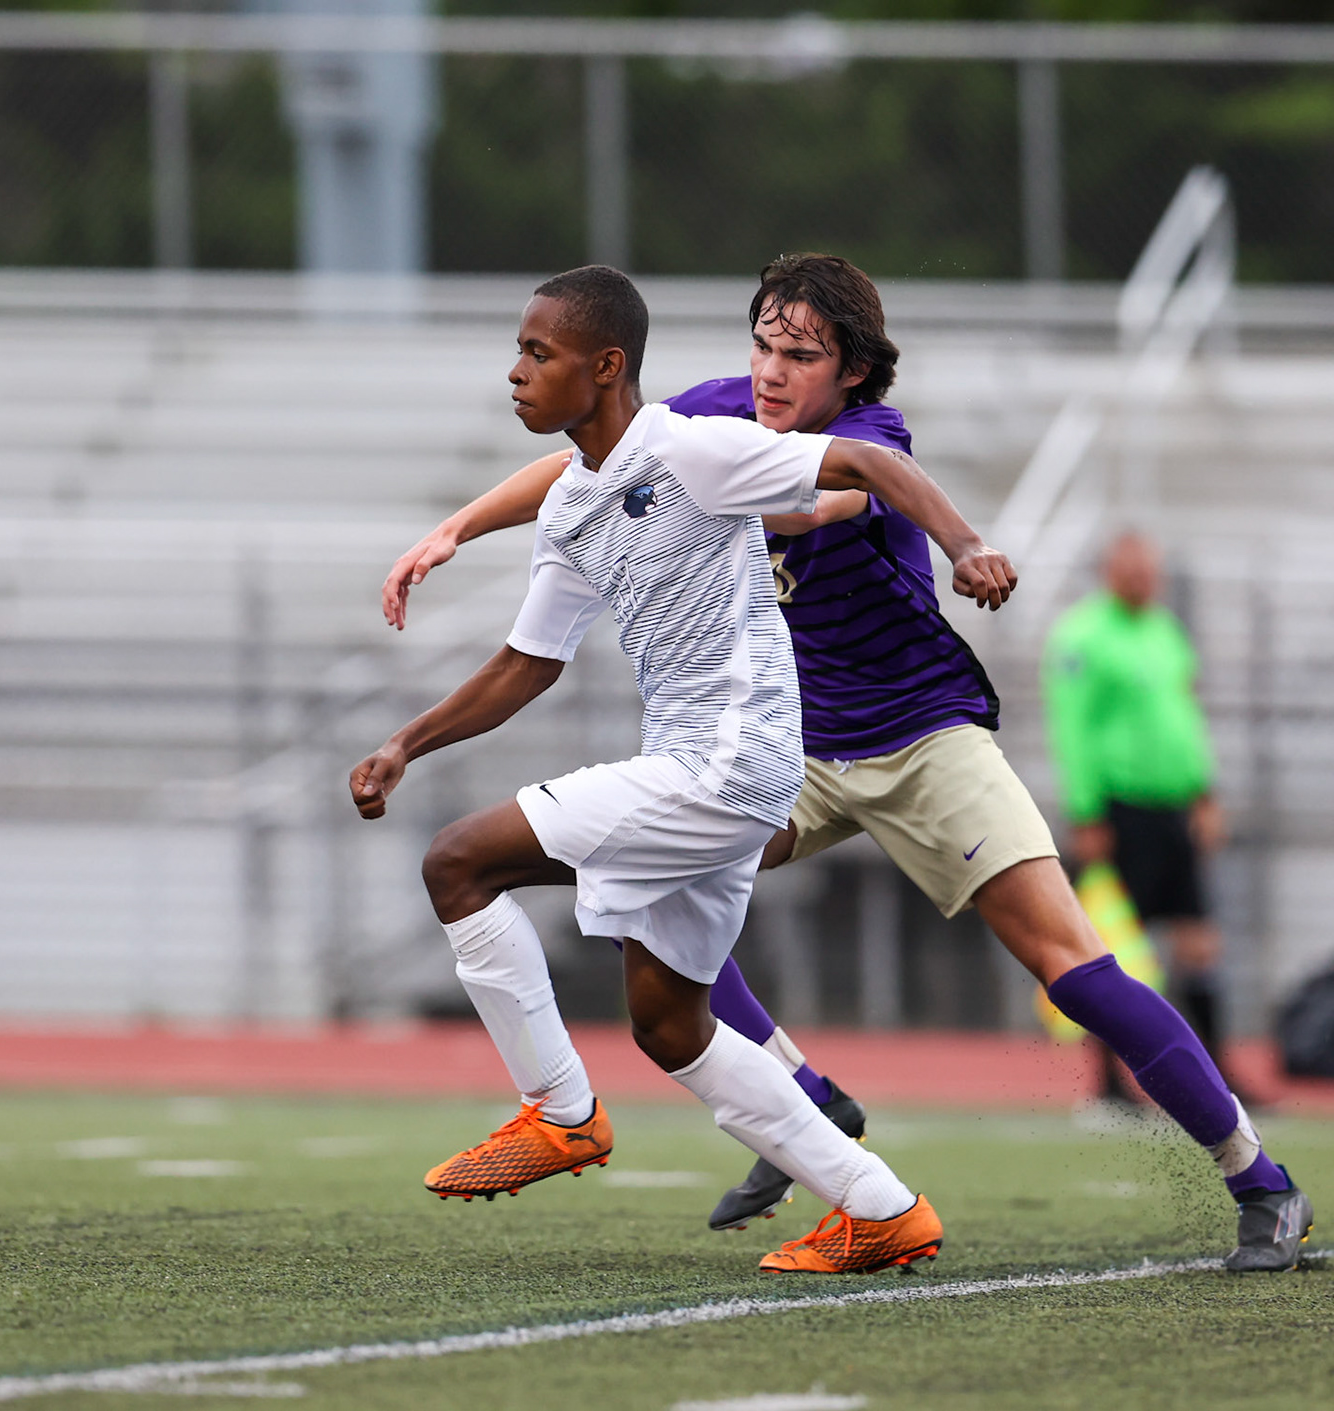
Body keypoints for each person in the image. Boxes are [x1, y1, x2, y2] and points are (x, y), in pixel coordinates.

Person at [382, 254, 1312, 1273]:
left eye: (804, 356)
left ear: (855, 373)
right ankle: (809, 1098)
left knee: (1071, 965)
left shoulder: (865, 438)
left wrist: (950, 540)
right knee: (632, 887)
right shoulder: (716, 420)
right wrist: (458, 527)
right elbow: (590, 466)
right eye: (765, 346)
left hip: (922, 738)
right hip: (795, 750)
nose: (774, 373)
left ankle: (1257, 1177)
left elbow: (823, 498)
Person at [350, 264, 1016, 1273]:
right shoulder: (576, 504)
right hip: (710, 771)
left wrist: (965, 547)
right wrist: (407, 742)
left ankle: (560, 1111)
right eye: (520, 353)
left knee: (457, 862)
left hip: (726, 763)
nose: (517, 374)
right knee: (671, 1025)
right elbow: (526, 665)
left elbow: (869, 469)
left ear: (605, 365)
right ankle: (881, 1208)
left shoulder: (694, 451)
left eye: (540, 353)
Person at [1043, 533, 1232, 1078]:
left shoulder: (1165, 630)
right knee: (1115, 949)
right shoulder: (1083, 635)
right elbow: (1071, 728)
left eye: (1151, 569)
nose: (1145, 579)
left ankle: (1219, 1073)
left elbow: (1186, 719)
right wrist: (1086, 813)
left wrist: (1205, 793)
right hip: (1121, 811)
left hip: (1175, 808)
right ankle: (1109, 1083)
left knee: (1199, 941)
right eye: (1133, 570)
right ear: (1109, 571)